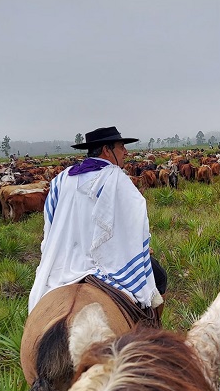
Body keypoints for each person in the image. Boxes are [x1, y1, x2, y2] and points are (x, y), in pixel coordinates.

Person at [28, 127, 166, 318]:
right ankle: (151, 326)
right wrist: (140, 248)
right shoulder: (115, 177)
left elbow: (50, 222)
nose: (126, 152)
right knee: (159, 278)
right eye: (121, 147)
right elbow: (134, 222)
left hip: (65, 259)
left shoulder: (61, 178)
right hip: (105, 261)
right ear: (106, 150)